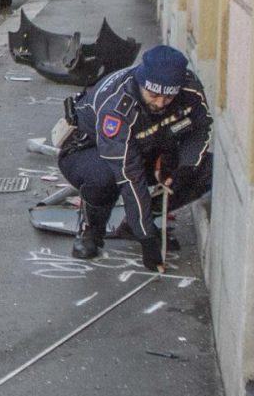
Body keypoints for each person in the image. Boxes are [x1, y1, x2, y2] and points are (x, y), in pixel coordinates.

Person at [58, 43, 212, 270]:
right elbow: (129, 176)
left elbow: (200, 128)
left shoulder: (189, 90)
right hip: (90, 151)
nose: (160, 103)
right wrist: (147, 237)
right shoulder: (116, 106)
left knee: (207, 168)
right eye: (154, 95)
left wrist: (183, 166)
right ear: (141, 83)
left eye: (168, 98)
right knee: (104, 178)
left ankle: (134, 222)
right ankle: (91, 230)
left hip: (146, 147)